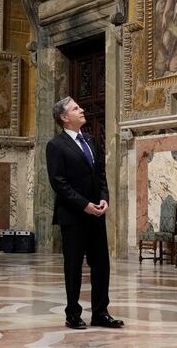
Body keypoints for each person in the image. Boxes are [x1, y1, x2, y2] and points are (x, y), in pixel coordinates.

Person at [47, 97, 123, 330]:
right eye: (76, 108)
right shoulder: (56, 145)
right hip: (73, 215)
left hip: (96, 214)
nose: (82, 110)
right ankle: (72, 313)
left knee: (102, 264)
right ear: (64, 117)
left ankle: (100, 312)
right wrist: (83, 205)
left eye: (80, 107)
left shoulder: (91, 139)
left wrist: (103, 199)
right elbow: (58, 182)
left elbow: (100, 175)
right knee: (74, 265)